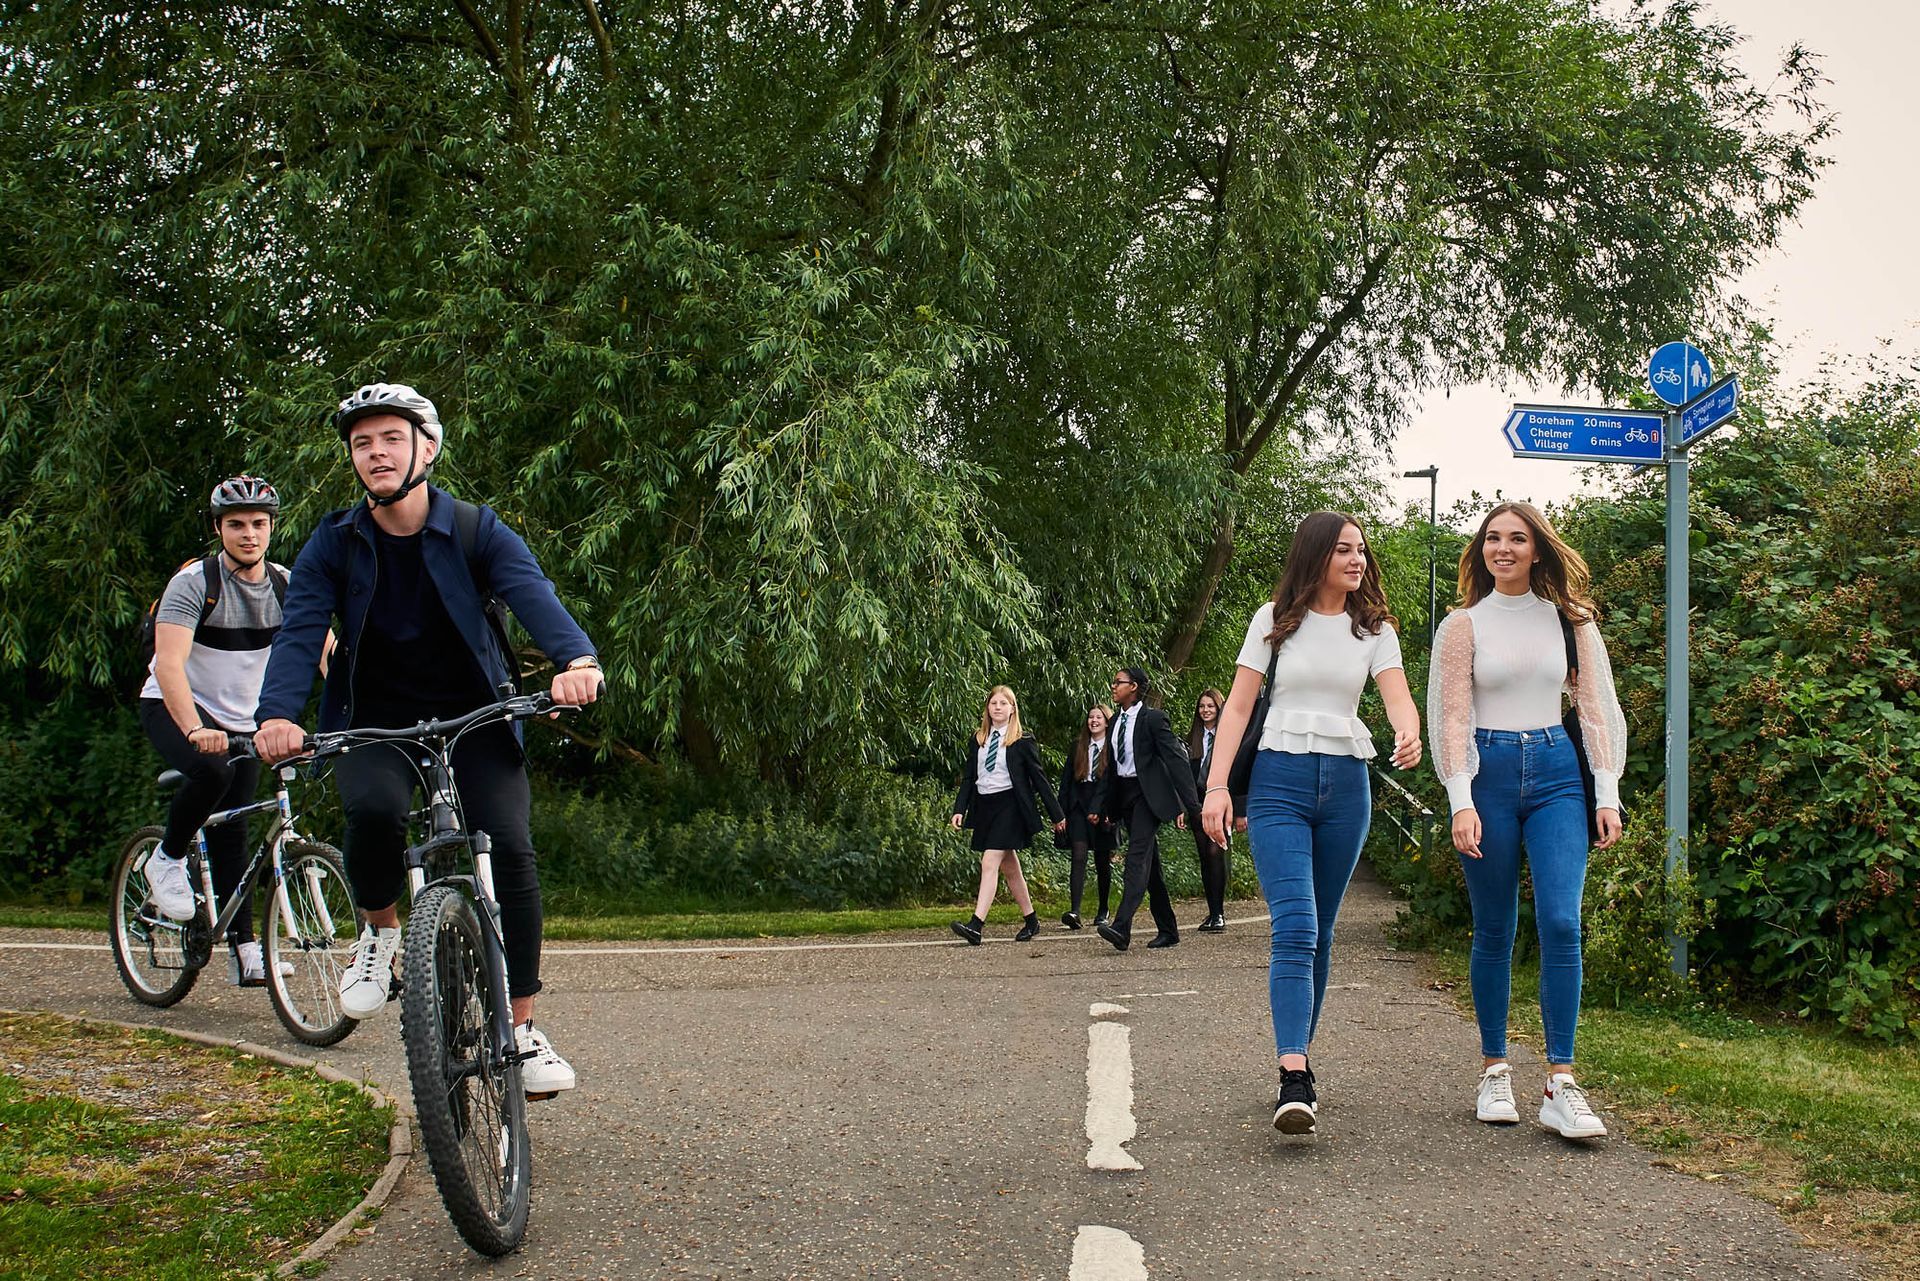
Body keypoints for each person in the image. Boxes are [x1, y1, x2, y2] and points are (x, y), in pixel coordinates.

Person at [254, 383, 602, 1096]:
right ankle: (380, 932)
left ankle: (523, 1025)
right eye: (361, 442)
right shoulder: (333, 542)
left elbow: (533, 592)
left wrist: (577, 660)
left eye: (390, 437)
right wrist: (277, 716)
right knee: (375, 813)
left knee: (507, 846)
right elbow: (298, 633)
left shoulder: (477, 529)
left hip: (473, 714)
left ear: (426, 447)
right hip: (375, 720)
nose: (375, 452)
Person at [1203, 511, 1421, 1135]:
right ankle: (1293, 1074)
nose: (1357, 560)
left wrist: (1407, 730)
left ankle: (1301, 1056)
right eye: (1344, 550)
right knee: (1295, 925)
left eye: (1361, 551)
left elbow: (1396, 694)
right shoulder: (1273, 621)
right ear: (1317, 554)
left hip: (1347, 788)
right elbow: (1240, 705)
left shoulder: (1374, 628)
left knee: (1321, 931)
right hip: (1279, 784)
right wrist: (1218, 787)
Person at [1426, 500, 1625, 1140]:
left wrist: (1607, 790)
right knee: (1494, 926)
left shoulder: (1571, 622)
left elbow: (1595, 708)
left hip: (1558, 773)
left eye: (1516, 538)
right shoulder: (1463, 627)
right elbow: (1452, 716)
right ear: (1481, 551)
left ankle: (1561, 1082)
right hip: (1486, 775)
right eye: (1492, 539)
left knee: (1562, 920)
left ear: (1537, 548)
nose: (1503, 548)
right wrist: (1460, 796)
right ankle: (1493, 1069)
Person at [138, 476, 311, 985]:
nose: (249, 534)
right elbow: (168, 665)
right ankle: (166, 859)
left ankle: (246, 954)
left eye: (259, 524)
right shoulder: (195, 583)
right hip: (177, 708)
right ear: (219, 528)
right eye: (236, 524)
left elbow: (324, 652)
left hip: (243, 722)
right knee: (211, 772)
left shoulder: (285, 584)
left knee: (234, 832)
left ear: (272, 528)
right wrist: (193, 729)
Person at [949, 686, 1065, 944]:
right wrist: (960, 809)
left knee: (989, 862)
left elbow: (1039, 779)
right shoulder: (978, 739)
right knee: (1010, 867)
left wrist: (1057, 815)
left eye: (1003, 703)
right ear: (987, 709)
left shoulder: (1022, 741)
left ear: (1013, 709)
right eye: (993, 703)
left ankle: (976, 925)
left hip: (1011, 806)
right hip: (985, 806)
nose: (998, 707)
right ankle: (1032, 920)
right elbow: (969, 778)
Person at [1094, 667, 1197, 952]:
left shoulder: (1153, 719)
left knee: (1136, 858)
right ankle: (1168, 929)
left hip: (1148, 796)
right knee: (1151, 870)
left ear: (1135, 687)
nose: (1114, 686)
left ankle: (1121, 927)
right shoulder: (1114, 722)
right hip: (1124, 796)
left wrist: (1191, 805)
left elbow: (1175, 759)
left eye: (1119, 682)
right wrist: (1100, 806)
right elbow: (1110, 769)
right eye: (1113, 681)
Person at [1054, 703, 1117, 930]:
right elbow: (1065, 782)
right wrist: (1060, 813)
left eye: (1098, 717)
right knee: (1078, 854)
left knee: (1102, 860)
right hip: (1079, 805)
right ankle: (1075, 911)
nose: (1094, 721)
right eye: (1091, 717)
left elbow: (1115, 782)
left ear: (1107, 721)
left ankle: (1103, 909)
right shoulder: (1078, 746)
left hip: (1104, 807)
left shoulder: (1113, 747)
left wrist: (1111, 810)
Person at [1184, 687, 1231, 932]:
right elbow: (1185, 776)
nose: (1205, 710)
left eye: (1210, 706)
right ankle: (1212, 912)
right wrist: (1184, 807)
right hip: (1197, 800)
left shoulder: (1228, 735)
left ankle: (1219, 913)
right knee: (1204, 855)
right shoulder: (1192, 738)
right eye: (1202, 706)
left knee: (1215, 852)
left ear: (1219, 708)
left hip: (1220, 797)